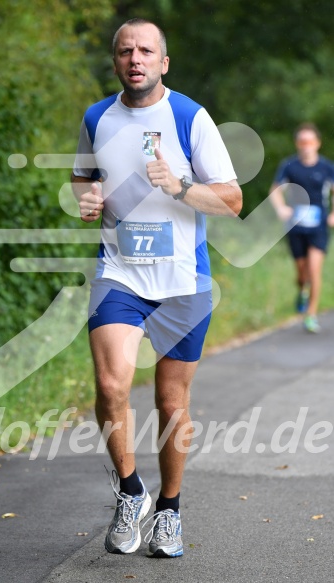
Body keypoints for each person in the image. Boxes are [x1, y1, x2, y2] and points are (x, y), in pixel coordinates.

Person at [71, 18, 242, 558]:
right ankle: (130, 491)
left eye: (146, 50)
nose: (135, 59)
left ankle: (168, 510)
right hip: (120, 272)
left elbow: (233, 201)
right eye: (126, 51)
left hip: (181, 282)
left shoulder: (190, 117)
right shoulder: (97, 117)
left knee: (171, 404)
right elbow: (83, 176)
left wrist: (181, 185)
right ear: (116, 61)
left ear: (163, 62)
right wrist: (88, 198)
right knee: (110, 386)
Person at [270, 123, 334, 333]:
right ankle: (302, 290)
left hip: (319, 226)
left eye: (310, 142)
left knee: (314, 269)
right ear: (297, 144)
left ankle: (311, 314)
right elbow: (275, 190)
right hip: (296, 226)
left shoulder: (326, 168)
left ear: (317, 143)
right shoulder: (289, 166)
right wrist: (281, 208)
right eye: (302, 142)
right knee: (302, 273)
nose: (306, 146)